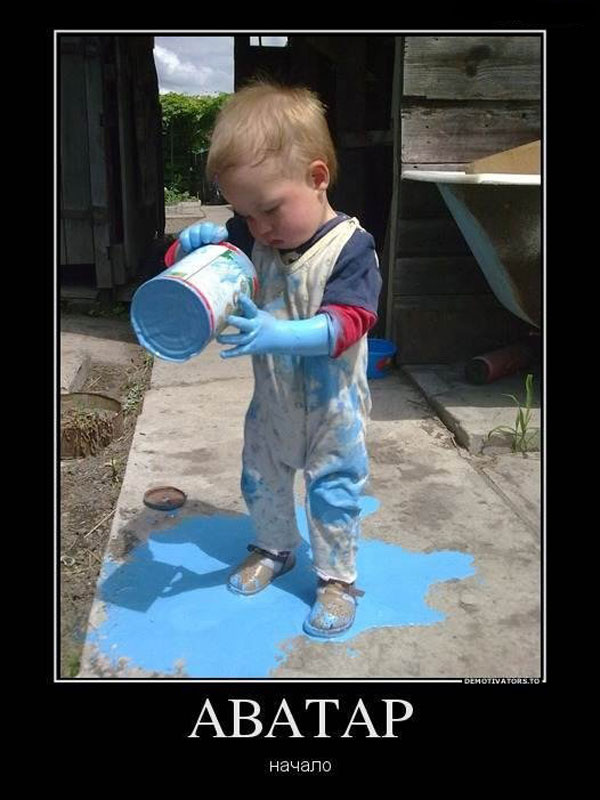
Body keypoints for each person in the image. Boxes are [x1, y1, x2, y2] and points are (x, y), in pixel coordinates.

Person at [164, 81, 382, 638]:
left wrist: (274, 332)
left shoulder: (351, 248)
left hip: (334, 411)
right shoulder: (253, 234)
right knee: (261, 478)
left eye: (268, 210)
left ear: (317, 177)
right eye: (244, 213)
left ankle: (336, 580)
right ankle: (274, 546)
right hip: (273, 404)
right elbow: (198, 275)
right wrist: (187, 248)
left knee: (333, 494)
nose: (258, 227)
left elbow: (348, 323)